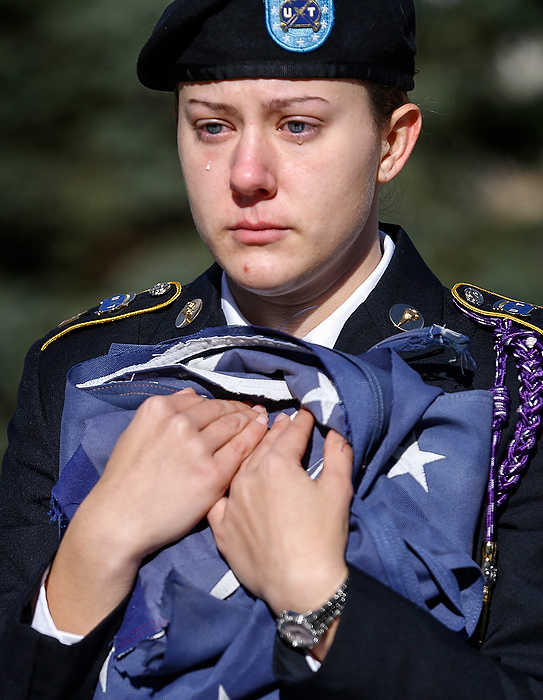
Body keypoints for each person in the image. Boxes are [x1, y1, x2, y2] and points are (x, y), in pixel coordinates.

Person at [1, 0, 543, 698]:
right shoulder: (82, 365)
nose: (247, 174)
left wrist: (317, 600)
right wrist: (94, 552)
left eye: (297, 125)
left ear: (391, 143)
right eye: (212, 126)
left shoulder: (517, 381)